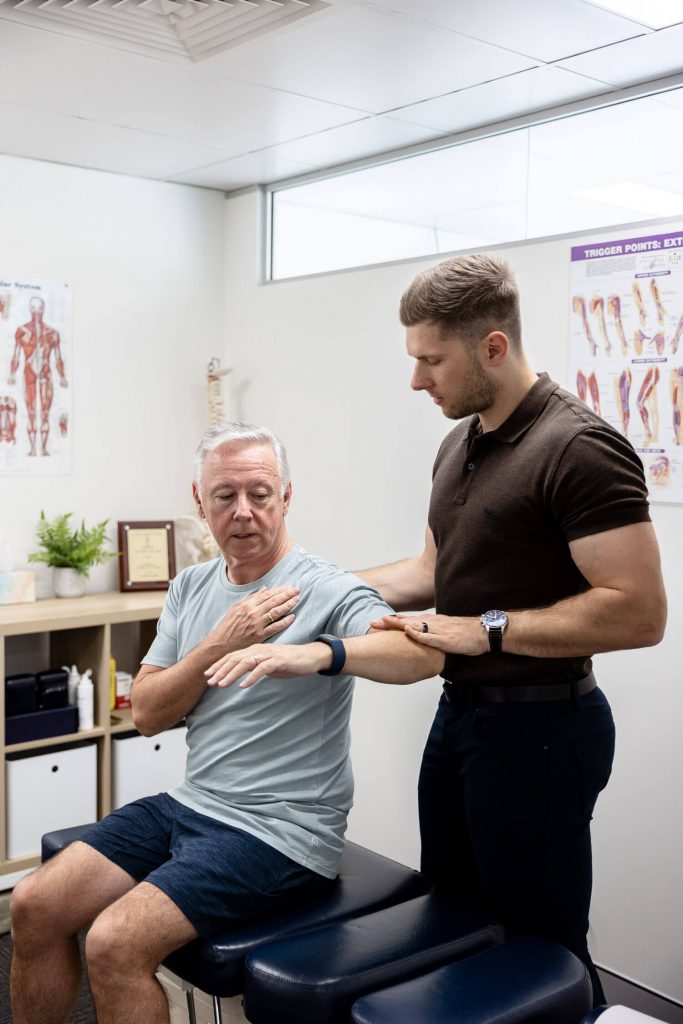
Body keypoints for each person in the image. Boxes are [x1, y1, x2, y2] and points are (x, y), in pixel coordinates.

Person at [10, 422, 443, 1024]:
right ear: (199, 501)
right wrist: (217, 643)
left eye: (259, 494)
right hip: (194, 804)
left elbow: (420, 656)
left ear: (286, 498)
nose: (243, 512)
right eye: (224, 496)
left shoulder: (323, 587)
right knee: (32, 904)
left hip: (281, 833)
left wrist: (320, 653)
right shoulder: (190, 586)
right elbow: (150, 713)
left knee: (114, 942)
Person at [356, 253, 666, 1004]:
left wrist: (485, 630)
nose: (416, 379)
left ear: (492, 347)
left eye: (431, 360)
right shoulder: (459, 442)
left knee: (542, 948)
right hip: (461, 722)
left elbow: (638, 610)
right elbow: (436, 567)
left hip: (545, 732)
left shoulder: (578, 448)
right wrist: (327, 584)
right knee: (457, 923)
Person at [7, 295, 68, 457]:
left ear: (44, 309)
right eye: (34, 308)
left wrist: (62, 376)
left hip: (46, 374)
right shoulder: (22, 331)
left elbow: (58, 357)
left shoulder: (53, 333)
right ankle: (33, 448)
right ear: (29, 309)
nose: (37, 312)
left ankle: (44, 448)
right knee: (31, 411)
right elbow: (16, 355)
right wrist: (12, 374)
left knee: (46, 412)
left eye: (40, 309)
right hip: (29, 373)